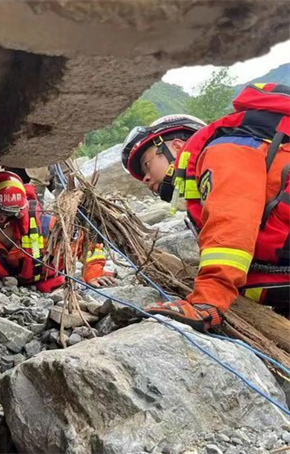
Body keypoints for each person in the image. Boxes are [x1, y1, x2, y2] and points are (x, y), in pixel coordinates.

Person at [121, 83, 290, 332]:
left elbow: (232, 225)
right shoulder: (250, 144)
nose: (145, 178)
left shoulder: (223, 150)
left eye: (146, 165)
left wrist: (208, 301)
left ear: (176, 147)